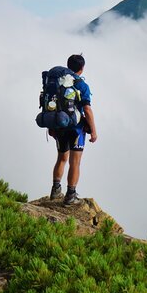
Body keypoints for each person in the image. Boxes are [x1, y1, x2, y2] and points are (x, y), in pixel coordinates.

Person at [49, 54, 97, 205]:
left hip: (59, 125)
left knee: (61, 158)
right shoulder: (81, 85)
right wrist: (94, 131)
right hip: (76, 129)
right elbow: (87, 110)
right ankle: (70, 195)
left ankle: (56, 189)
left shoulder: (58, 81)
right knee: (75, 162)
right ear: (82, 69)